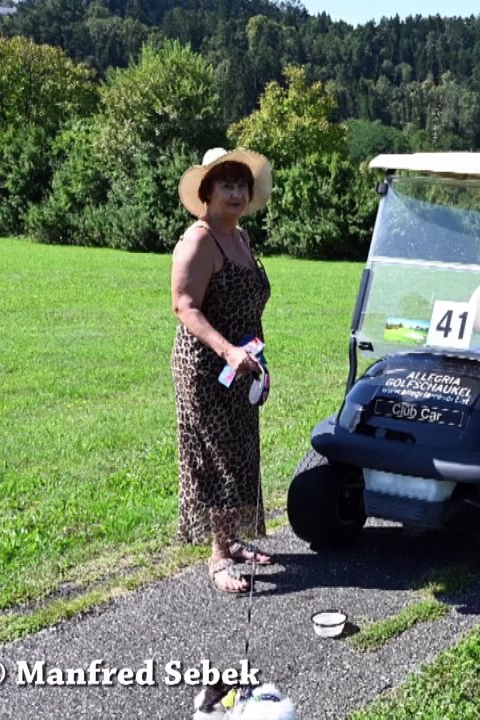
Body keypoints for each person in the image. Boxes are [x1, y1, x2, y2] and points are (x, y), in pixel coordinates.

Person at [171, 147, 275, 594]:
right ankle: (217, 558)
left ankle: (231, 541)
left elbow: (249, 308)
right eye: (225, 185)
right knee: (216, 458)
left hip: (241, 364)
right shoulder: (199, 240)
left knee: (240, 452)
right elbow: (184, 307)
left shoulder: (241, 238)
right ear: (207, 192)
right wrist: (228, 351)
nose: (235, 193)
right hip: (205, 366)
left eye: (241, 186)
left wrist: (257, 361)